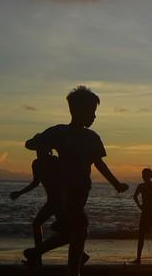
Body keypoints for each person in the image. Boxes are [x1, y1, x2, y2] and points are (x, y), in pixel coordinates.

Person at [23, 86, 129, 276]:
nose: (94, 117)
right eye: (92, 112)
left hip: (82, 191)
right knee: (79, 230)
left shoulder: (92, 138)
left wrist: (116, 184)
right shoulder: (60, 132)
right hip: (65, 191)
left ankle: (37, 253)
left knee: (73, 233)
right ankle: (72, 270)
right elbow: (30, 144)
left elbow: (99, 164)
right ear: (77, 110)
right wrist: (39, 142)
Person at [9, 140, 63, 250]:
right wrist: (20, 193)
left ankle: (37, 254)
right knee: (39, 225)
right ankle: (37, 255)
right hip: (52, 201)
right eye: (37, 149)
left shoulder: (55, 161)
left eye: (41, 149)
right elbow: (35, 183)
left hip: (62, 200)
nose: (38, 152)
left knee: (63, 229)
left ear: (47, 149)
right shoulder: (36, 164)